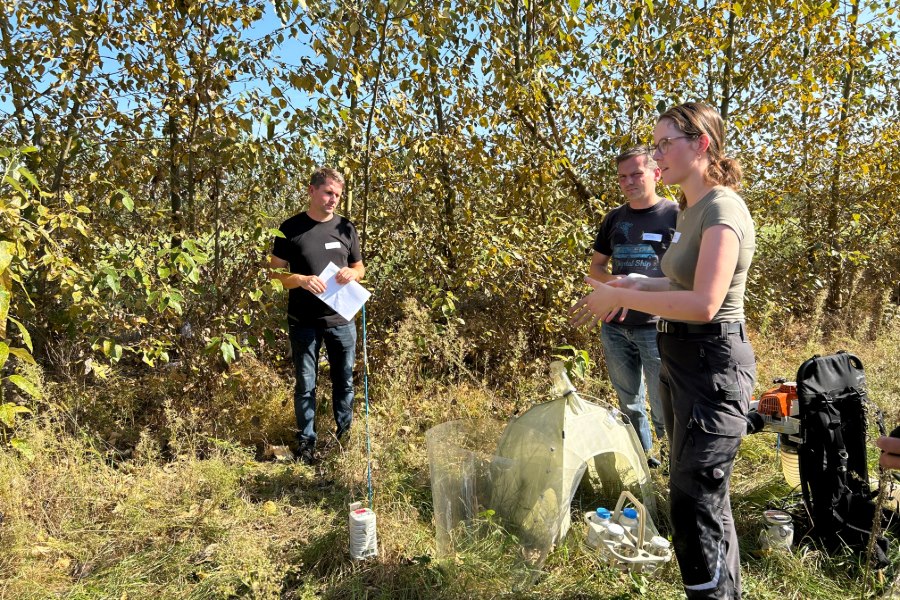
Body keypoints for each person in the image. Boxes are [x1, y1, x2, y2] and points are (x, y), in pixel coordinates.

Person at [571, 102, 755, 599]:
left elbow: (704, 302)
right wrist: (632, 280)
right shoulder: (693, 209)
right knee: (703, 498)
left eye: (663, 144)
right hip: (681, 360)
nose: (656, 155)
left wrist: (623, 295)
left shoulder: (721, 207)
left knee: (691, 501)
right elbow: (676, 279)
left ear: (700, 144)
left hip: (713, 364)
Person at [269, 167, 365, 465]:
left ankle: (343, 437)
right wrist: (300, 279)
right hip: (304, 322)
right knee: (305, 383)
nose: (332, 199)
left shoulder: (346, 228)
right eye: (327, 193)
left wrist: (353, 272)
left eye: (337, 195)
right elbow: (275, 275)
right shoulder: (290, 228)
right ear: (311, 191)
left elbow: (360, 268)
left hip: (342, 321)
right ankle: (306, 444)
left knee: (344, 381)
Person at [591, 145, 677, 464]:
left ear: (656, 173)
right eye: (623, 176)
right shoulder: (614, 219)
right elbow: (597, 267)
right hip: (614, 327)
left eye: (636, 173)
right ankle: (643, 461)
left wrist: (639, 289)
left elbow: (687, 277)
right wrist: (618, 287)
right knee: (629, 403)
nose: (629, 181)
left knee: (664, 402)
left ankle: (672, 464)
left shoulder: (675, 215)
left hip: (657, 328)